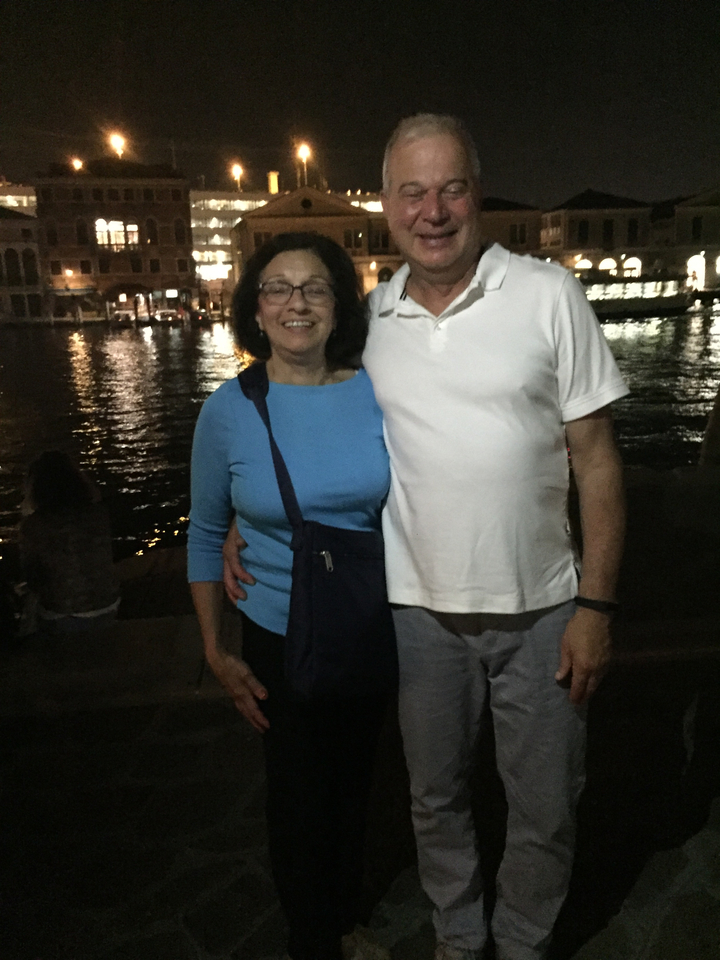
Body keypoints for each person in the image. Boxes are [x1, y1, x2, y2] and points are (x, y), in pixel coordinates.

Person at [225, 116, 629, 960]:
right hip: (413, 614)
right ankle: (456, 936)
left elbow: (595, 460)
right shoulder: (369, 320)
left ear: (475, 194)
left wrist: (596, 603)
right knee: (433, 797)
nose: (433, 210)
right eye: (413, 192)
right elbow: (298, 405)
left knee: (547, 800)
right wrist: (242, 519)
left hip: (545, 606)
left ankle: (519, 943)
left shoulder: (550, 295)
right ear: (387, 204)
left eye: (450, 189)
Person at [187, 232, 393, 960]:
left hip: (371, 622)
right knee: (298, 798)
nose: (296, 302)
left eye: (315, 287)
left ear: (340, 305)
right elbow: (206, 530)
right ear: (254, 307)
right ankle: (313, 937)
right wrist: (216, 648)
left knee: (354, 782)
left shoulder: (381, 389)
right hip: (276, 631)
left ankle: (342, 914)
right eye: (277, 287)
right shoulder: (230, 409)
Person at [19, 450, 120, 633]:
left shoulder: (34, 525)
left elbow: (34, 579)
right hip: (108, 605)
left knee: (31, 610)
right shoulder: (98, 514)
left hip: (62, 614)